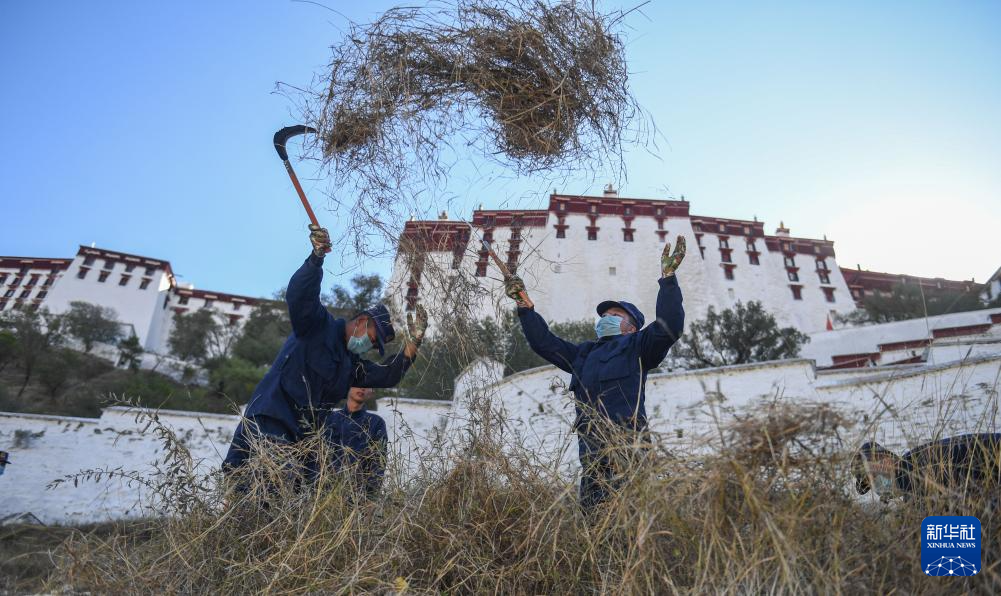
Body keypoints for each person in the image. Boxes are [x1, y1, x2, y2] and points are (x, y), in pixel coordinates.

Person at [223, 224, 426, 478]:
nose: (371, 348)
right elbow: (300, 295)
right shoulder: (316, 325)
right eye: (373, 341)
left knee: (295, 501)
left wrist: (414, 342)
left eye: (375, 347)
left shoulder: (351, 366)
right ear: (362, 322)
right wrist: (316, 257)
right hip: (270, 422)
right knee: (258, 493)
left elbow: (387, 375)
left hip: (302, 441)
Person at [504, 238, 687, 509]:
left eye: (614, 314)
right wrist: (525, 307)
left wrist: (668, 280)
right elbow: (544, 342)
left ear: (632, 326)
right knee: (596, 523)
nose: (605, 318)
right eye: (603, 315)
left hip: (630, 450)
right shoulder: (583, 354)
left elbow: (668, 325)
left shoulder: (639, 346)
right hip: (591, 454)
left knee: (633, 517)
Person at [853, 433, 1001, 501]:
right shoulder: (915, 458)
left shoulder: (915, 482)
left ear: (888, 461)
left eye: (872, 478)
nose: (877, 487)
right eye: (871, 485)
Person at [325, 387, 388, 498]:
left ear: (372, 392)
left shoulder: (375, 422)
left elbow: (378, 462)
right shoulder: (329, 418)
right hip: (325, 491)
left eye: (368, 385)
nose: (363, 388)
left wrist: (371, 497)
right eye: (358, 383)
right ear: (348, 385)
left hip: (358, 495)